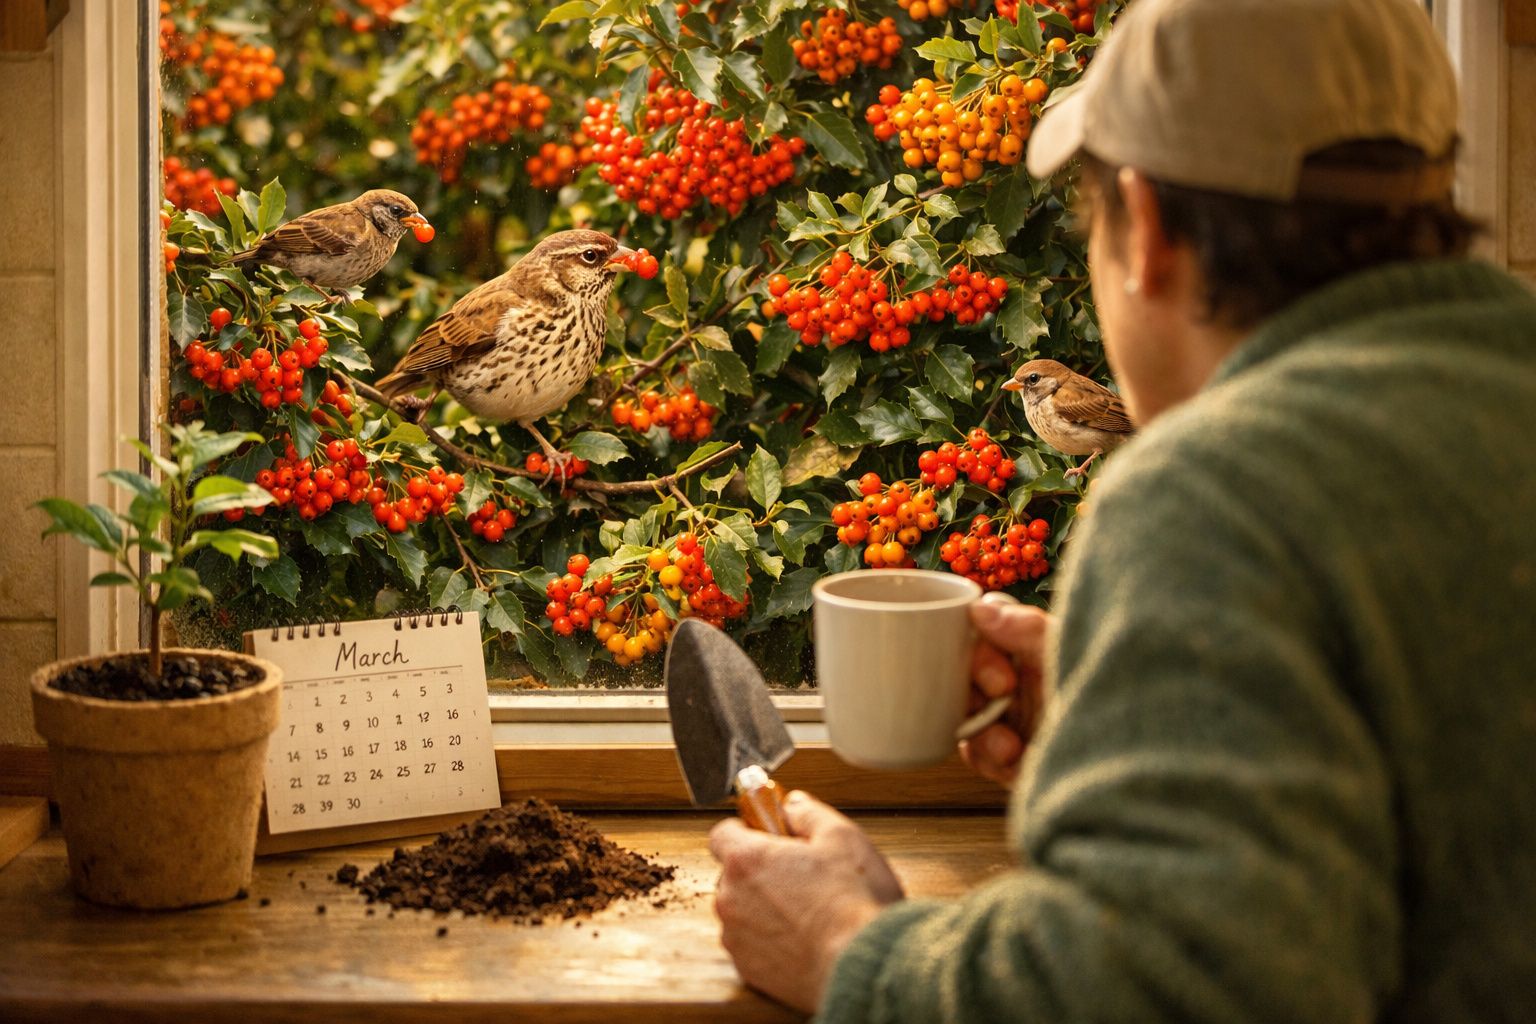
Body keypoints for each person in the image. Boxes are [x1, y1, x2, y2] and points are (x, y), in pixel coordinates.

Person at [708, 0, 1536, 1020]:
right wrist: (1159, 708)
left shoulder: (1216, 491)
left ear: (1142, 228)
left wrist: (848, 951)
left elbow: (1160, 992)